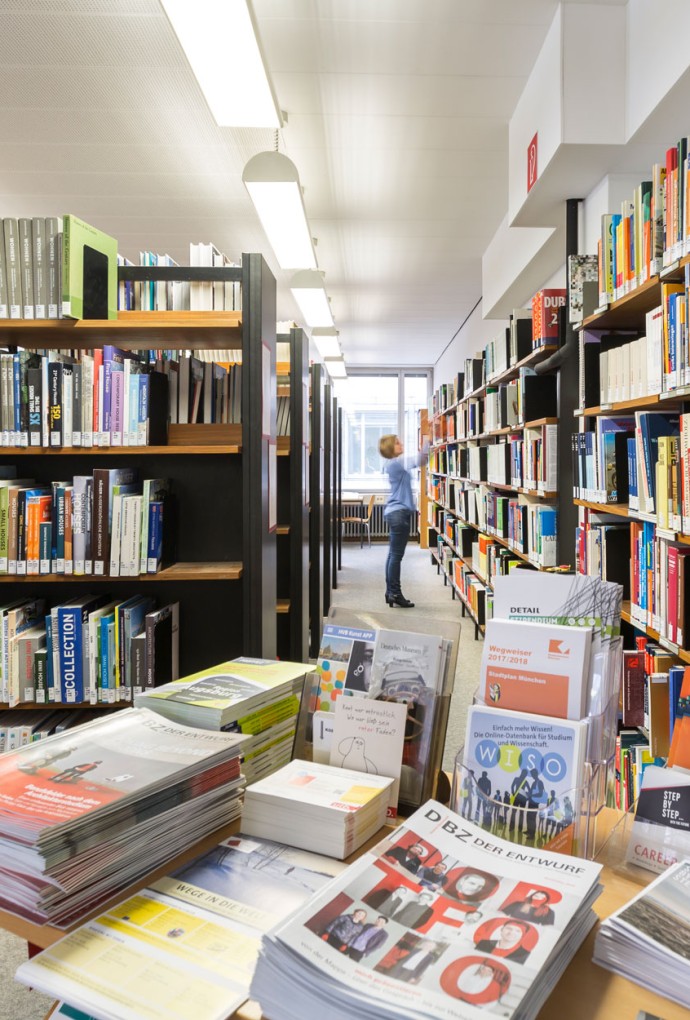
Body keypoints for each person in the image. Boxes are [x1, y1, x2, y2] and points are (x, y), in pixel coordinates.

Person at [379, 433, 427, 608]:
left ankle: (390, 592)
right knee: (396, 556)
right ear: (391, 448)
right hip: (399, 514)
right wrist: (430, 436)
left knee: (393, 555)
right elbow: (422, 458)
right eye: (398, 443)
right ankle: (395, 593)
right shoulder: (397, 463)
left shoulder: (392, 464)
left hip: (395, 512)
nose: (401, 445)